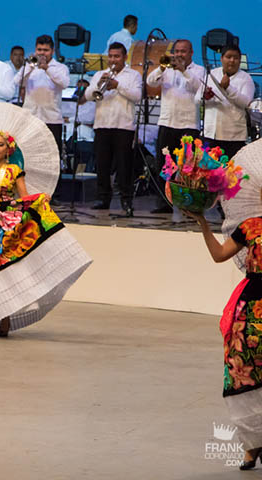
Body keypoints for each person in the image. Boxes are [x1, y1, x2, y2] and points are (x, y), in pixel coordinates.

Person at [0, 103, 91, 336]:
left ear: (8, 148)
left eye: (0, 144)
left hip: (5, 222)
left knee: (3, 266)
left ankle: (4, 316)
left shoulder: (14, 171)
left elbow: (24, 198)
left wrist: (39, 201)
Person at [182, 163, 262, 470]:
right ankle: (251, 446)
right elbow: (219, 255)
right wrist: (203, 222)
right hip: (250, 309)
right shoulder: (250, 226)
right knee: (242, 371)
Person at [81, 42, 142, 217]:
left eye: (117, 56)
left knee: (124, 166)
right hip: (102, 124)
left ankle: (126, 200)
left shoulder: (133, 75)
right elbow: (87, 96)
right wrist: (97, 85)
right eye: (111, 56)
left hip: (123, 126)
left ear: (124, 57)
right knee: (102, 165)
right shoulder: (100, 74)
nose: (113, 60)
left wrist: (117, 86)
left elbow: (137, 96)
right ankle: (103, 198)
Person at [146, 39, 205, 214]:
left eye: (183, 51)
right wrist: (162, 68)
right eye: (177, 51)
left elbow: (198, 88)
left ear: (191, 53)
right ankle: (165, 202)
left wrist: (184, 71)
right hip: (167, 122)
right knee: (164, 166)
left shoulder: (199, 70)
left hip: (189, 125)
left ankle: (189, 204)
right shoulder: (167, 70)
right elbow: (151, 82)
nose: (179, 55)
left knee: (189, 168)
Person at [15, 35, 70, 161]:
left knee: (51, 158)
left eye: (45, 50)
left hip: (52, 119)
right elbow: (17, 82)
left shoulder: (60, 68)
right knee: (29, 156)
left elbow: (64, 83)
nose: (42, 53)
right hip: (31, 118)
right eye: (39, 50)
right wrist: (29, 67)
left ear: (52, 51)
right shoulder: (29, 66)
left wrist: (47, 69)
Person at [198, 44, 255, 160]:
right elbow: (196, 99)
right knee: (207, 173)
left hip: (234, 137)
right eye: (228, 57)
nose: (232, 61)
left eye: (236, 58)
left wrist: (228, 88)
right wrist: (205, 96)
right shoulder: (212, 74)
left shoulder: (246, 78)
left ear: (240, 60)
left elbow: (246, 102)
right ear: (221, 59)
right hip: (211, 134)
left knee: (231, 175)